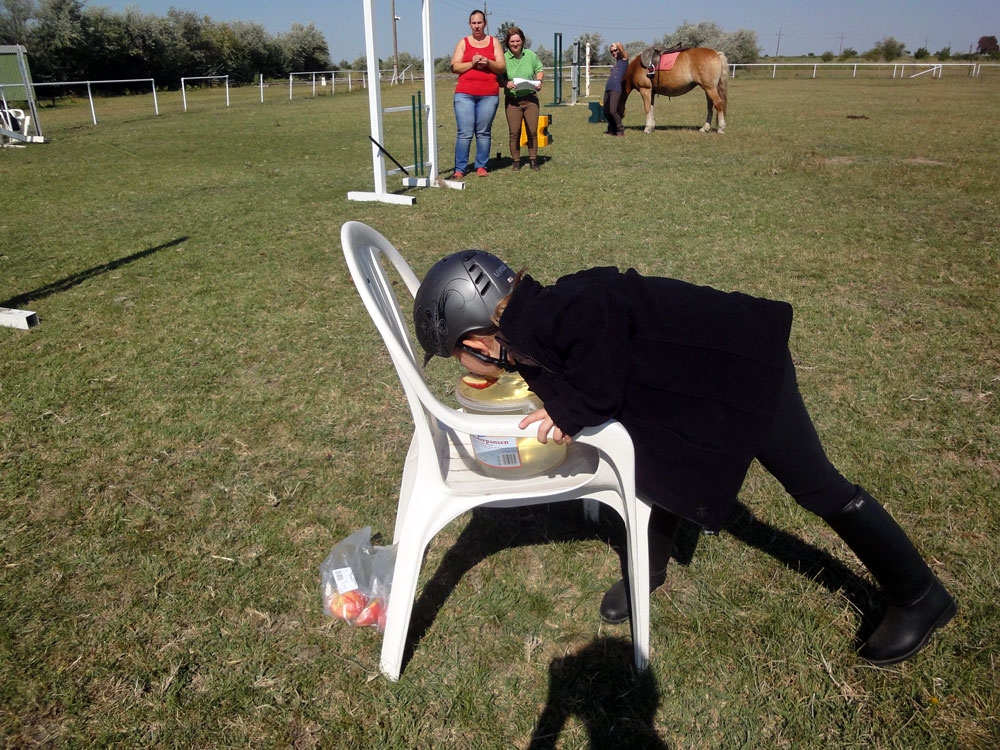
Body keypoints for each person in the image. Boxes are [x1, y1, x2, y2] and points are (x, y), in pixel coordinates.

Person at [413, 251, 957, 666]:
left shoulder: (549, 316)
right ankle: (649, 572)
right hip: (703, 375)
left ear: (476, 336)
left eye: (454, 353)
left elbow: (600, 317)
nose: (460, 365)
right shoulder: (534, 321)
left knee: (815, 485)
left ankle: (920, 595)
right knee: (656, 461)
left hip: (742, 367)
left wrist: (573, 407)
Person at [450, 10, 505, 179]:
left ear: (485, 24)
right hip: (464, 94)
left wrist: (488, 62)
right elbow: (454, 67)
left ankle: (481, 166)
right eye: (473, 23)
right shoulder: (463, 43)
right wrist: (472, 63)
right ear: (469, 24)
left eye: (479, 23)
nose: (477, 26)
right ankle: (460, 168)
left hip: (489, 94)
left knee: (483, 132)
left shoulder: (494, 42)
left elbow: (501, 67)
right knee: (464, 132)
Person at [499, 27, 544, 172]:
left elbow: (539, 69)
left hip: (530, 99)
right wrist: (506, 83)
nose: (515, 44)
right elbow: (499, 79)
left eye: (518, 40)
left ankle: (533, 160)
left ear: (522, 41)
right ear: (508, 42)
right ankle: (516, 161)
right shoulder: (503, 58)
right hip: (513, 101)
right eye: (512, 41)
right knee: (514, 132)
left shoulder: (530, 55)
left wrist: (539, 81)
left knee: (532, 131)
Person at [603, 42, 629, 136]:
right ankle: (612, 130)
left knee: (613, 110)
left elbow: (620, 45)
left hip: (616, 88)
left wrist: (615, 44)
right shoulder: (616, 64)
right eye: (611, 52)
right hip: (608, 88)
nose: (614, 52)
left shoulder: (624, 61)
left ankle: (620, 130)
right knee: (606, 112)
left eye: (615, 50)